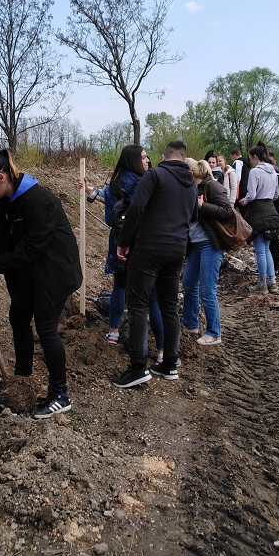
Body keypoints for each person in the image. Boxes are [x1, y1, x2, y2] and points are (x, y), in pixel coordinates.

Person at [0, 150, 82, 419]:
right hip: (32, 269)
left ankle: (60, 395)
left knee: (46, 328)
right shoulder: (5, 203)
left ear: (1, 177)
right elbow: (2, 243)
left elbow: (31, 248)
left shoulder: (38, 200)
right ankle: (22, 379)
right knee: (18, 316)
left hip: (56, 271)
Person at [112, 141, 197, 387]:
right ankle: (169, 363)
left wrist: (124, 241)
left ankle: (138, 366)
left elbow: (137, 207)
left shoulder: (155, 174)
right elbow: (193, 216)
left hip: (150, 247)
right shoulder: (191, 183)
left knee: (138, 303)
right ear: (184, 158)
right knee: (169, 306)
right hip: (177, 250)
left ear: (164, 156)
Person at [80, 145, 164, 351]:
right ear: (134, 160)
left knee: (119, 285)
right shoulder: (146, 181)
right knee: (151, 294)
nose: (147, 160)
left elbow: (109, 200)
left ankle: (114, 331)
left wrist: (90, 191)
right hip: (142, 240)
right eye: (143, 157)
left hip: (118, 238)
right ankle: (159, 346)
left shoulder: (117, 182)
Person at [181, 159, 232, 345]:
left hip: (211, 243)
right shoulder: (191, 189)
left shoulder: (212, 186)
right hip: (196, 244)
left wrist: (203, 206)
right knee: (188, 283)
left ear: (190, 173)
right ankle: (190, 324)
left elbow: (227, 211)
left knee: (207, 289)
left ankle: (214, 332)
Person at [238, 144, 279, 293]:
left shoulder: (255, 172)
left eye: (250, 158)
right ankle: (272, 282)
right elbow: (276, 195)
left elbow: (251, 195)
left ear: (255, 157)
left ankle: (262, 284)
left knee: (260, 251)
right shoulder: (273, 171)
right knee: (267, 248)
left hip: (257, 212)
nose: (250, 161)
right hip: (271, 210)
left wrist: (244, 200)